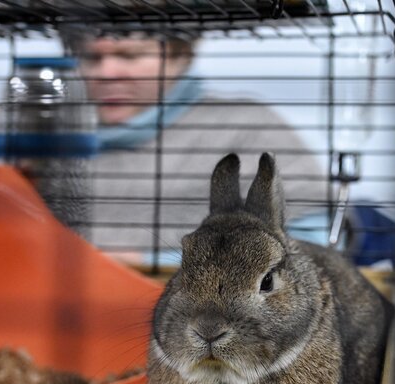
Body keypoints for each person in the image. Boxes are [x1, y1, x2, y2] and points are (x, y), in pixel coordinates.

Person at [65, 34, 331, 264]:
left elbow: (311, 245)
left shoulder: (243, 125)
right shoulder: (50, 136)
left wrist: (146, 263)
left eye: (130, 56)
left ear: (180, 57)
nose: (107, 73)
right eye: (91, 58)